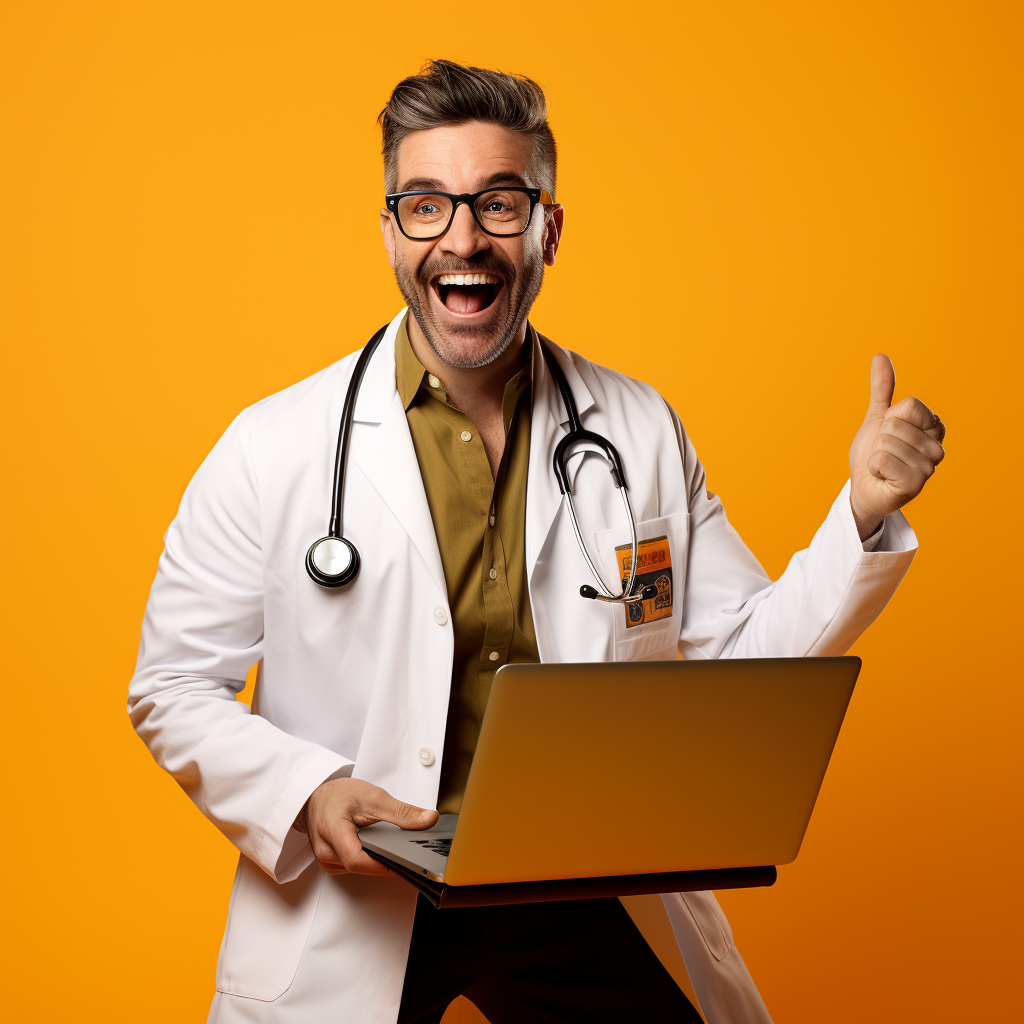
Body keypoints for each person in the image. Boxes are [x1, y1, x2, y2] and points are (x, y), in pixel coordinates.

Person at [128, 60, 946, 1024]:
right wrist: (307, 794)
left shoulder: (638, 429)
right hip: (363, 884)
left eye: (500, 204)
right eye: (427, 205)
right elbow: (172, 685)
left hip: (583, 880)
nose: (463, 239)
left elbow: (741, 660)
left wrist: (859, 512)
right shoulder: (272, 448)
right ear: (390, 229)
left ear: (550, 227)